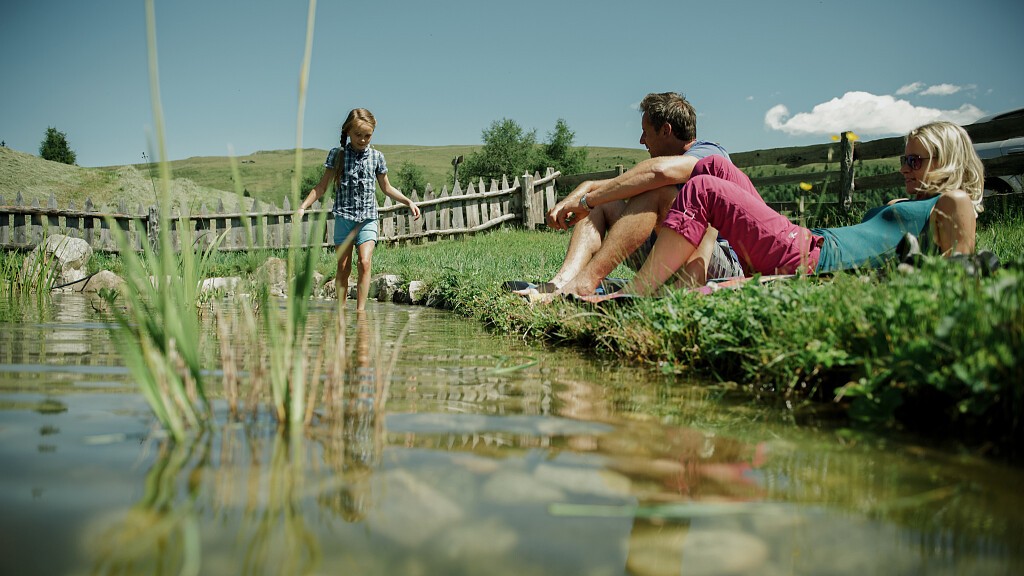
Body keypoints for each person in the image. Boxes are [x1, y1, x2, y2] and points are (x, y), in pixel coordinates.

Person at [616, 120, 983, 297]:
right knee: (717, 168)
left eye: (915, 160)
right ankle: (670, 283)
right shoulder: (903, 204)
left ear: (948, 160)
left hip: (808, 255)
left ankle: (638, 292)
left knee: (704, 188)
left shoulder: (955, 201)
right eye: (905, 158)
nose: (904, 167)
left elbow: (955, 281)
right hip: (807, 244)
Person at [539, 92, 746, 297]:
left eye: (645, 132)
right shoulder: (666, 167)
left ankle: (586, 283)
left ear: (666, 130)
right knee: (604, 202)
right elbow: (635, 182)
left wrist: (586, 201)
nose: (641, 140)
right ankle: (561, 283)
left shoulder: (711, 153)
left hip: (714, 263)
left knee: (658, 190)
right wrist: (589, 186)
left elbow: (658, 173)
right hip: (667, 255)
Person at [297, 108, 421, 310]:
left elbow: (386, 187)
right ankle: (341, 312)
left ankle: (361, 313)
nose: (362, 140)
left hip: (368, 219)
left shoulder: (377, 157)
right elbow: (322, 186)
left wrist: (409, 202)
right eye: (358, 135)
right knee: (343, 268)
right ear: (348, 132)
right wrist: (303, 207)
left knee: (364, 262)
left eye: (367, 135)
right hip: (344, 218)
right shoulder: (337, 155)